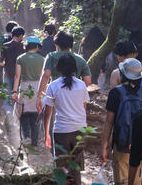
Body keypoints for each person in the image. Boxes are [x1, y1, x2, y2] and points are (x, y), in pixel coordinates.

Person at [43, 53, 90, 184]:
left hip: (61, 131)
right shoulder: (81, 85)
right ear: (74, 68)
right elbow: (84, 106)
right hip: (80, 130)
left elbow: (47, 112)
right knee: (76, 168)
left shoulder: (53, 86)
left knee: (62, 169)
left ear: (58, 69)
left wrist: (46, 133)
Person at [102, 58, 142, 185]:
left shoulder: (115, 93)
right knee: (138, 180)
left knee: (121, 181)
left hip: (121, 145)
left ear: (122, 74)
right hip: (140, 146)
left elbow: (109, 122)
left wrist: (104, 145)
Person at [12, 37, 45, 146]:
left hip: (25, 87)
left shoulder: (20, 58)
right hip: (38, 87)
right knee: (36, 112)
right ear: (36, 46)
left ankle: (26, 137)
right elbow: (43, 76)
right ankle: (35, 141)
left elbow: (17, 76)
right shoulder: (42, 59)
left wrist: (14, 91)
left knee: (23, 113)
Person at [0, 26, 26, 124]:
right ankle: (15, 118)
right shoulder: (23, 47)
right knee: (17, 96)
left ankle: (8, 114)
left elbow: (0, 62)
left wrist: (7, 63)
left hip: (7, 73)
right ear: (21, 35)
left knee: (7, 97)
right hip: (19, 76)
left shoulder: (5, 45)